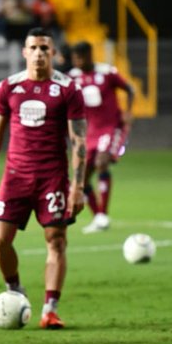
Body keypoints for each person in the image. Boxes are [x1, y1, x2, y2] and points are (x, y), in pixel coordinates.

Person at [0, 27, 87, 329]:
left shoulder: (68, 89)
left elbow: (78, 141)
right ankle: (15, 290)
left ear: (53, 53)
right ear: (25, 52)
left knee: (56, 240)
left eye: (44, 48)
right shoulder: (9, 87)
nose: (39, 53)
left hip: (52, 177)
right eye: (34, 48)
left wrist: (77, 187)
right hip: (15, 177)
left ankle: (50, 309)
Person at [68, 41, 134, 234]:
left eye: (81, 57)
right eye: (75, 58)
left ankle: (103, 214)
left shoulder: (107, 73)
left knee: (101, 162)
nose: (78, 61)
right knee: (81, 178)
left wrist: (128, 112)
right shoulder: (72, 78)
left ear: (89, 55)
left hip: (110, 128)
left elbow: (129, 89)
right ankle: (98, 216)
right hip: (88, 133)